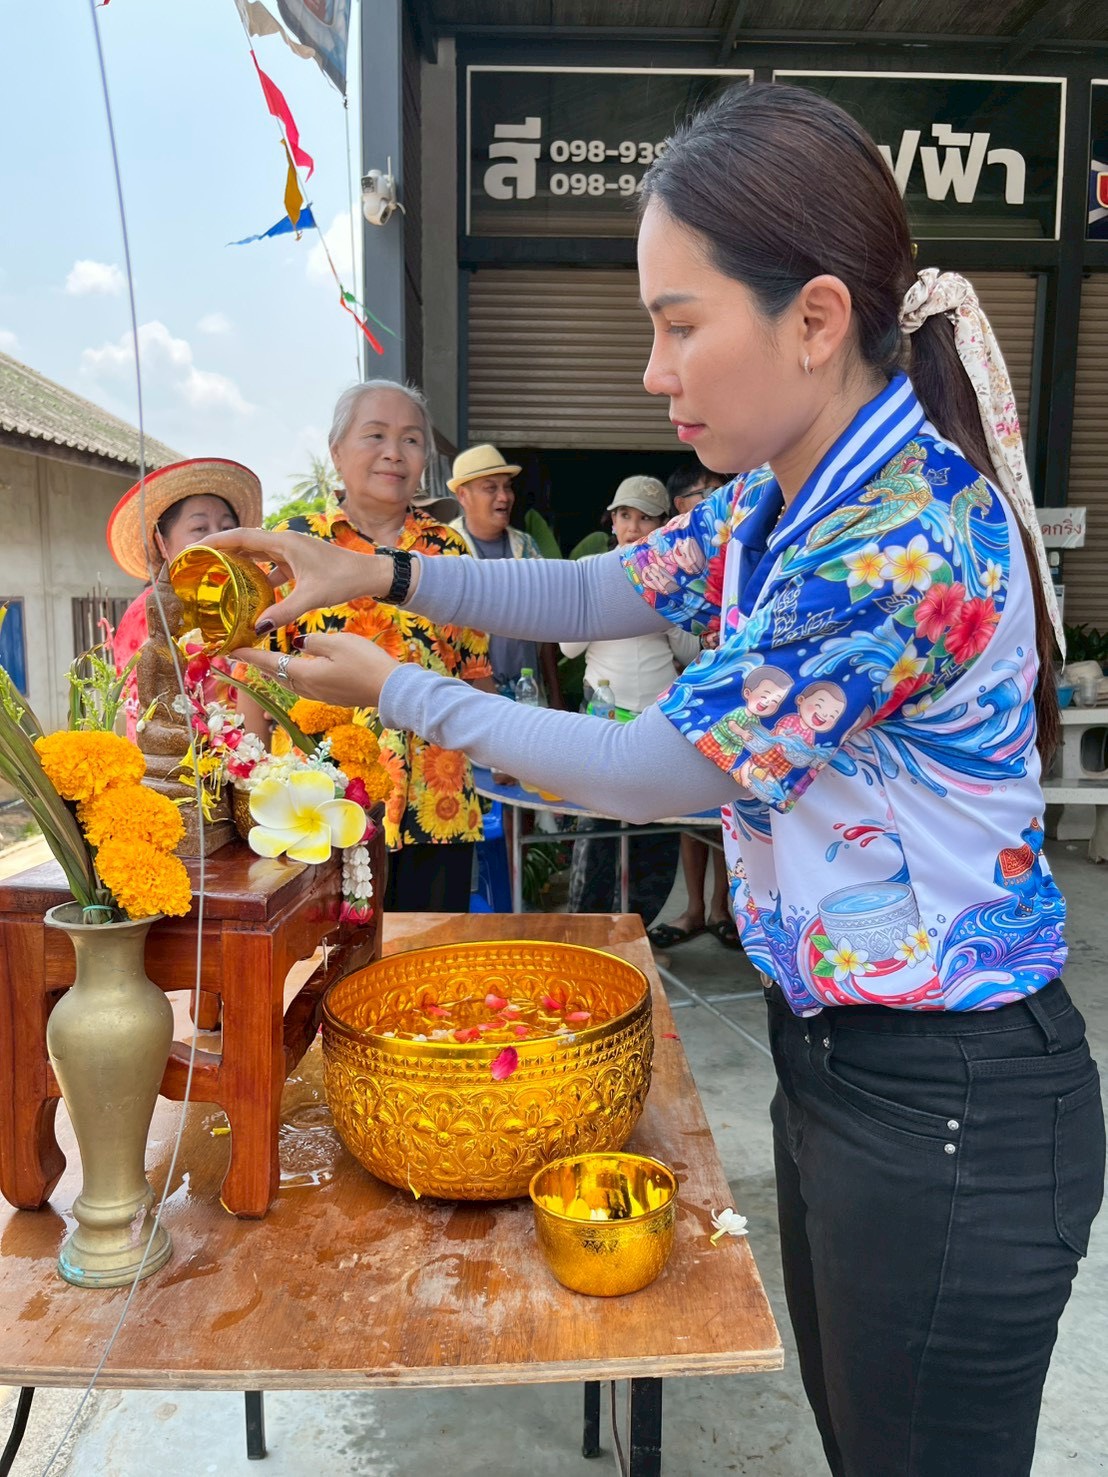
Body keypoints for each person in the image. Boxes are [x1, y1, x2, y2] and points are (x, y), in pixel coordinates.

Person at [213, 83, 1104, 1477]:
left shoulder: (901, 533)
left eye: (680, 324)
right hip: (847, 1064)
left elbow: (650, 767)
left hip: (953, 1095)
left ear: (815, 319)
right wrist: (373, 572)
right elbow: (593, 590)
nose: (651, 370)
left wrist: (396, 688)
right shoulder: (778, 496)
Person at [269, 379, 494, 914]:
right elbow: (258, 675)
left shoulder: (448, 549)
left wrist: (509, 753)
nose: (394, 452)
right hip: (320, 795)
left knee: (431, 952)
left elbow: (474, 669)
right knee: (323, 952)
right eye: (375, 435)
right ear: (336, 451)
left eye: (411, 440)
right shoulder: (295, 542)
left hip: (436, 799)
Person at [560, 474, 700, 922]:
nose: (633, 527)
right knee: (597, 833)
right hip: (602, 722)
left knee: (654, 836)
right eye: (625, 515)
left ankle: (638, 935)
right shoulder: (592, 570)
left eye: (645, 518)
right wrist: (606, 597)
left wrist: (665, 607)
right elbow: (567, 647)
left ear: (663, 524)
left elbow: (689, 652)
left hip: (659, 723)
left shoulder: (675, 575)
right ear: (612, 520)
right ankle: (591, 935)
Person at [106, 457, 268, 743]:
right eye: (200, 528)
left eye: (227, 527)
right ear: (162, 542)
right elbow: (153, 718)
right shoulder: (149, 613)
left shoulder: (248, 603)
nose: (219, 539)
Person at [652, 459, 738, 948]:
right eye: (704, 495)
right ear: (679, 507)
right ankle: (694, 910)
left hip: (738, 698)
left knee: (726, 807)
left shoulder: (740, 544)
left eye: (718, 491)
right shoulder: (673, 558)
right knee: (692, 813)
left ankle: (723, 908)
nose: (715, 502)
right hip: (697, 692)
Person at [447, 443, 562, 706]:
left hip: (528, 690)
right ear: (463, 495)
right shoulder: (446, 549)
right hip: (469, 696)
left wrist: (555, 694)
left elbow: (547, 627)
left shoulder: (526, 546)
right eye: (491, 488)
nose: (504, 497)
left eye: (507, 487)